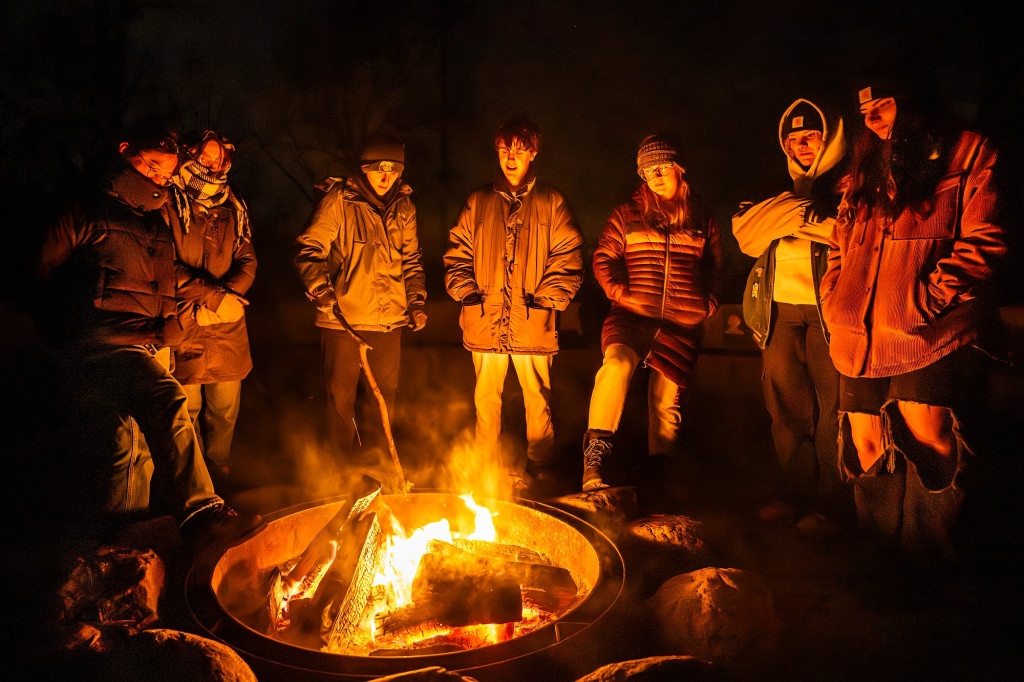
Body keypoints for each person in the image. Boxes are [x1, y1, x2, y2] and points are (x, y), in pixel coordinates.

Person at [36, 120, 263, 546]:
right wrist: (58, 325)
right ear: (125, 151)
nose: (158, 178)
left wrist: (174, 323)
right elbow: (38, 268)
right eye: (153, 166)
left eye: (164, 173)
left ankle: (123, 540)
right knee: (171, 401)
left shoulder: (154, 221)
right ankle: (201, 514)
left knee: (129, 444)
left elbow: (166, 275)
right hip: (103, 340)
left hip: (146, 340)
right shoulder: (85, 207)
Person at [820, 81, 1007, 554]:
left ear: (914, 99)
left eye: (883, 104)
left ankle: (929, 562)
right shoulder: (864, 168)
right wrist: (836, 297)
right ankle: (881, 560)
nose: (872, 119)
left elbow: (984, 238)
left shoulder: (968, 151)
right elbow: (840, 246)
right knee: (864, 442)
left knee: (926, 433)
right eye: (864, 109)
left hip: (929, 329)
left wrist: (928, 298)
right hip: (857, 334)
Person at [444, 118, 584, 489]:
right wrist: (470, 296)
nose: (511, 156)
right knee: (485, 397)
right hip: (484, 316)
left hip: (531, 320)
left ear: (532, 153)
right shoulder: (478, 202)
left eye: (519, 149)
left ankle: (541, 463)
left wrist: (544, 302)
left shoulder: (552, 203)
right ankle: (485, 463)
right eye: (505, 148)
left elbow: (569, 256)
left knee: (536, 397)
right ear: (497, 151)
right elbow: (457, 254)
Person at [732, 99, 850, 524]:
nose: (801, 145)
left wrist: (779, 218)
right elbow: (745, 237)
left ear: (829, 137)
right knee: (787, 410)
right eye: (793, 139)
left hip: (828, 312)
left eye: (810, 136)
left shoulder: (847, 180)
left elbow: (847, 233)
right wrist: (806, 214)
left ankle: (832, 503)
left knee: (832, 409)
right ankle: (797, 498)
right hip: (779, 311)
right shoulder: (773, 182)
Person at [582, 135, 722, 491]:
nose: (656, 175)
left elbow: (717, 267)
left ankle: (661, 484)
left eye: (662, 167)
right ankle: (594, 465)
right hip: (631, 315)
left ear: (679, 168)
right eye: (648, 170)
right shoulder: (627, 213)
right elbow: (603, 258)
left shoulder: (701, 215)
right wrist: (620, 293)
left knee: (664, 405)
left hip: (681, 323)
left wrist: (707, 303)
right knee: (615, 367)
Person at [295, 131, 427, 461]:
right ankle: (337, 475)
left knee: (384, 401)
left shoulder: (404, 206)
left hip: (389, 321)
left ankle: (379, 470)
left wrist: (417, 300)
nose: (386, 176)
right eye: (379, 168)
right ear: (365, 167)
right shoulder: (340, 200)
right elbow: (310, 249)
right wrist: (322, 289)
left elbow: (411, 259)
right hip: (343, 321)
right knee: (341, 402)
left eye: (394, 169)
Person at [170, 130, 256, 487]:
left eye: (217, 157)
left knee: (224, 408)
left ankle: (220, 471)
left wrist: (227, 300)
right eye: (205, 156)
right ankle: (192, 481)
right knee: (185, 409)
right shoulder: (169, 202)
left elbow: (247, 260)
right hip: (184, 319)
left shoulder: (233, 207)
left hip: (226, 324)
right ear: (190, 154)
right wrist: (212, 299)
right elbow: (164, 265)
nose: (212, 163)